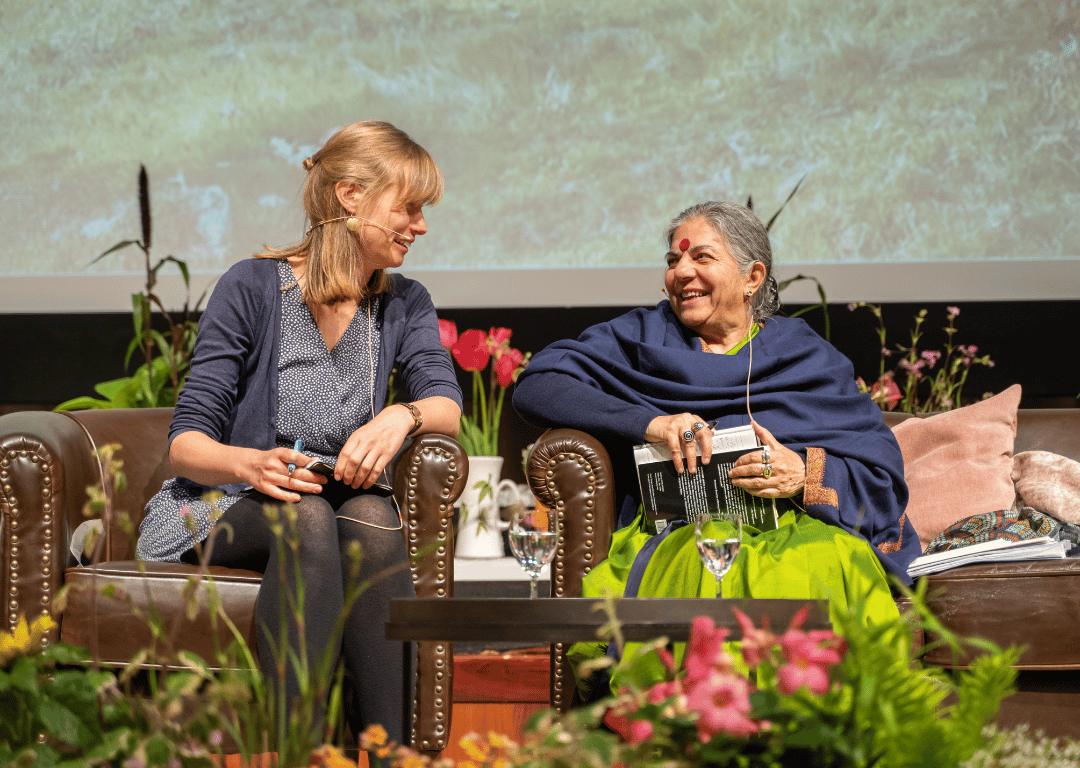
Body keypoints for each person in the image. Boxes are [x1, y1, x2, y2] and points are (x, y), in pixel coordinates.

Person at [136, 120, 462, 743]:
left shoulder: (403, 302)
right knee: (306, 518)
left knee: (371, 517)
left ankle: (393, 755)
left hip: (332, 502)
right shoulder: (251, 286)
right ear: (349, 196)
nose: (420, 226)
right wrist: (250, 465)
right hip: (226, 503)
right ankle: (299, 754)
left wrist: (403, 414)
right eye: (409, 208)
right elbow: (186, 444)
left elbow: (444, 403)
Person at [513, 201, 921, 686]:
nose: (681, 271)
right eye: (672, 261)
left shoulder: (805, 356)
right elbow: (538, 384)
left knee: (830, 564)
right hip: (682, 533)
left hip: (798, 530)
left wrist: (802, 473)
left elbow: (878, 471)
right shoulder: (643, 339)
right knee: (705, 574)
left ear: (752, 276)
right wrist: (652, 423)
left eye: (701, 258)